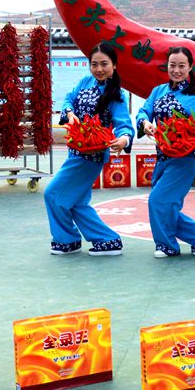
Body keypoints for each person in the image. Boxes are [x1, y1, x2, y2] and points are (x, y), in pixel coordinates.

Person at [45, 42, 133, 256]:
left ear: (114, 65)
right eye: (94, 64)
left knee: (53, 193)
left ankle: (68, 239)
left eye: (104, 64)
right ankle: (106, 241)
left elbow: (124, 125)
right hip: (75, 149)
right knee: (76, 201)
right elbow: (68, 98)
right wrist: (69, 113)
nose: (99, 69)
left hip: (91, 155)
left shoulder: (117, 95)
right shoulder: (85, 81)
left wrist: (123, 140)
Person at [136, 47, 195, 258]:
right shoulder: (158, 91)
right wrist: (145, 123)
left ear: (190, 68)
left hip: (184, 161)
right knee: (166, 206)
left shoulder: (194, 98)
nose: (176, 70)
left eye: (181, 66)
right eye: (172, 65)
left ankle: (167, 246)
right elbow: (143, 111)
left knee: (158, 201)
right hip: (162, 158)